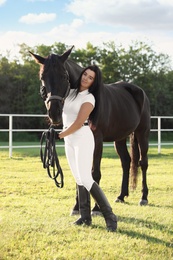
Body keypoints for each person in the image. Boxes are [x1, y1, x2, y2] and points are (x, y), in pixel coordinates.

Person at [58, 65, 117, 232]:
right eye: (85, 74)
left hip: (82, 137)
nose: (86, 78)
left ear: (93, 82)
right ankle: (85, 217)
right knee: (78, 178)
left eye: (90, 77)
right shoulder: (70, 93)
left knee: (86, 178)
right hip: (69, 138)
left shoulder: (89, 98)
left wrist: (59, 135)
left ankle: (110, 216)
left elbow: (77, 123)